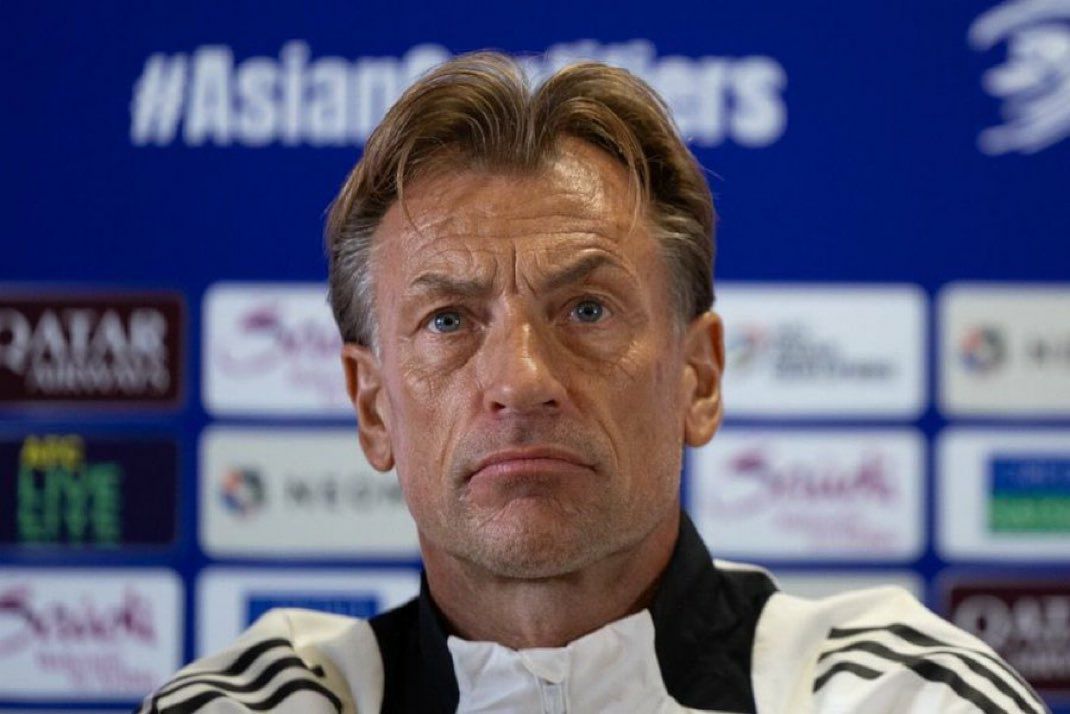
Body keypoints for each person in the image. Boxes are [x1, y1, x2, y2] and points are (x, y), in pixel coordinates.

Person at [140, 52, 1047, 714]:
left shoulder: (896, 695)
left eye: (586, 309)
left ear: (698, 375)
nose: (520, 379)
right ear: (373, 406)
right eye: (449, 320)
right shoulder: (258, 704)